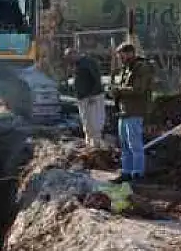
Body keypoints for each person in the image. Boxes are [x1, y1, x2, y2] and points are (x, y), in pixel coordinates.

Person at [107, 42, 155, 183]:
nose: (120, 58)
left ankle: (138, 173)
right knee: (124, 145)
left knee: (135, 144)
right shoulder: (125, 69)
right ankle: (126, 172)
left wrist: (118, 90)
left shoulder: (142, 68)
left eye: (121, 55)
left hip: (135, 111)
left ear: (130, 53)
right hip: (124, 111)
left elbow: (138, 89)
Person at [64, 47, 105, 148]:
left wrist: (92, 95)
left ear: (75, 53)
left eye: (70, 57)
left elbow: (97, 78)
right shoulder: (76, 65)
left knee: (95, 123)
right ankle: (89, 145)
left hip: (92, 97)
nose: (69, 60)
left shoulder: (88, 62)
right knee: (86, 124)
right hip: (82, 98)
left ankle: (96, 146)